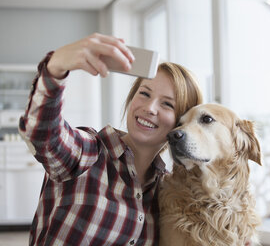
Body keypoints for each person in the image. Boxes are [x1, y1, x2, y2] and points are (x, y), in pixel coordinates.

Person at [18, 33, 203, 245]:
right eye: (144, 93)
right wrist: (56, 67)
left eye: (167, 104)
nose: (149, 108)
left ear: (181, 125)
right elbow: (43, 135)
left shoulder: (165, 190)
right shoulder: (89, 152)